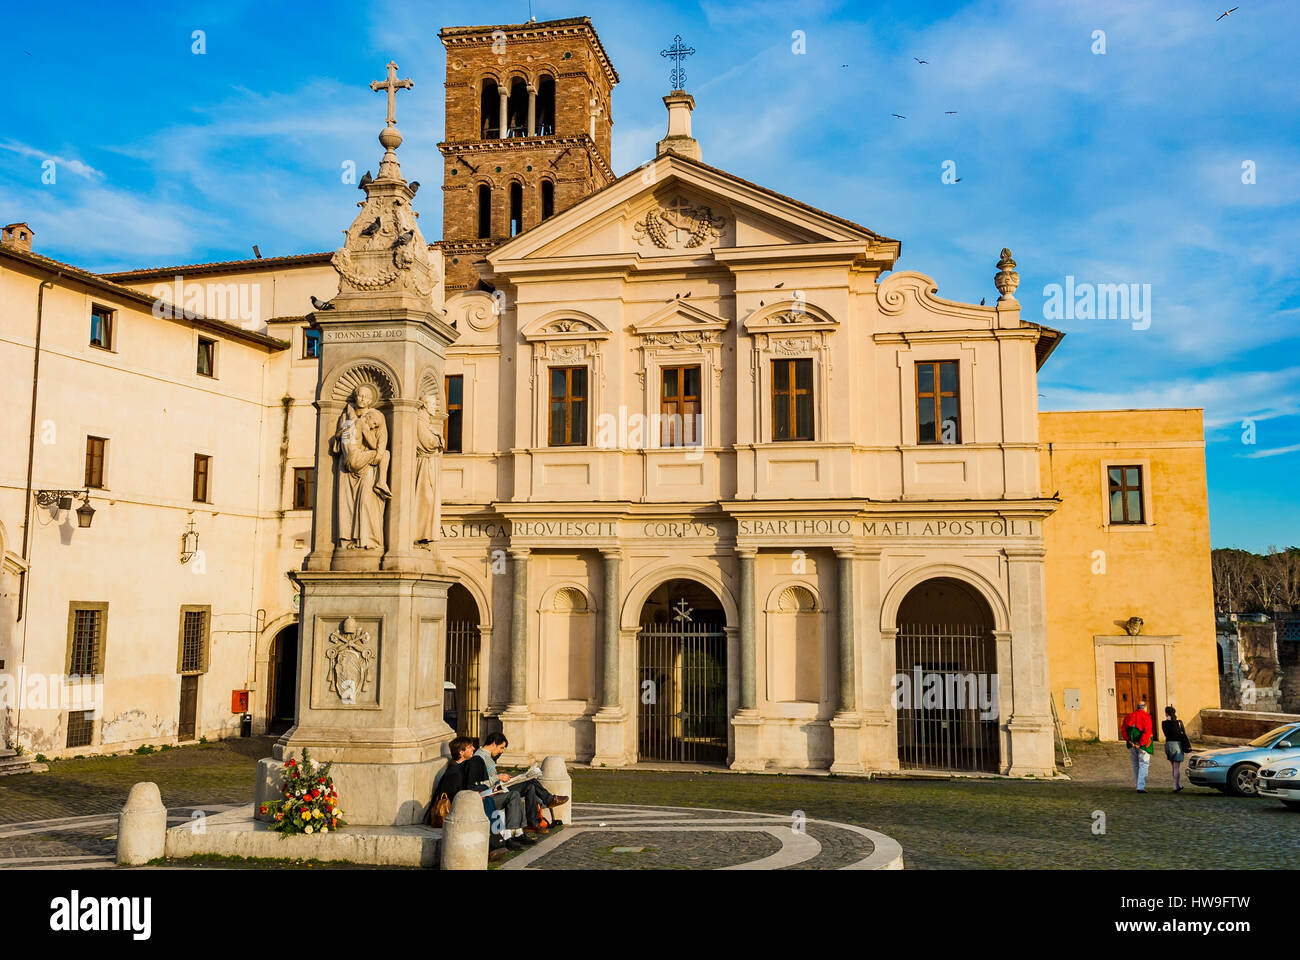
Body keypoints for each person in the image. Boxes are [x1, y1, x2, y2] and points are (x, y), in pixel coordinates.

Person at [465, 732, 569, 843]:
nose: (501, 751)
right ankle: (542, 808)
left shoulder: (486, 756)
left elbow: (490, 776)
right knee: (529, 784)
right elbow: (481, 782)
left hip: (498, 786)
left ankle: (534, 819)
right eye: (501, 748)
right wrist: (499, 777)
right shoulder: (479, 757)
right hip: (494, 791)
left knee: (530, 783)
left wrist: (504, 778)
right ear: (494, 744)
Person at [426, 736, 475, 826]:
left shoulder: (460, 767)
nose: (473, 748)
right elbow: (454, 796)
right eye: (470, 747)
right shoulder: (454, 772)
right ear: (461, 752)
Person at [1122, 698, 1155, 792]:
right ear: (1145, 708)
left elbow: (1123, 729)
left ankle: (1137, 784)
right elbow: (1147, 731)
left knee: (1135, 764)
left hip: (1132, 744)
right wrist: (1140, 743)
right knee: (1144, 764)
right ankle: (1140, 786)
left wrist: (1129, 740)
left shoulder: (1129, 716)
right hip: (1142, 745)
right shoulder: (1146, 717)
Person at [1162, 706, 1191, 792]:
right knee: (1176, 767)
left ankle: (1177, 785)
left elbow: (1166, 733)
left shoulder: (1163, 723)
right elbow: (1183, 733)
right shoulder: (1179, 722)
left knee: (1173, 767)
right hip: (1177, 745)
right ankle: (1175, 786)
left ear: (1166, 713)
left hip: (1168, 745)